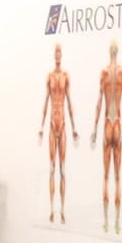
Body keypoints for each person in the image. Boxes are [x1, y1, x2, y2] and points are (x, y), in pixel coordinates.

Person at [90, 38, 122, 234]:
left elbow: (100, 103)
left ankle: (107, 223)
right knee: (117, 177)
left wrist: (94, 129)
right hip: (117, 123)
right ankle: (116, 222)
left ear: (110, 50)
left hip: (107, 125)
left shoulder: (104, 73)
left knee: (106, 175)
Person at [37, 42, 79, 224]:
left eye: (60, 52)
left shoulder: (65, 77)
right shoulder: (50, 77)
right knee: (52, 168)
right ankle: (52, 210)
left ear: (62, 55)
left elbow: (69, 101)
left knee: (62, 169)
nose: (57, 55)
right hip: (52, 125)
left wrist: (74, 127)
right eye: (55, 52)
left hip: (62, 122)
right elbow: (46, 101)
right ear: (54, 55)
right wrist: (41, 126)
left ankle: (62, 209)